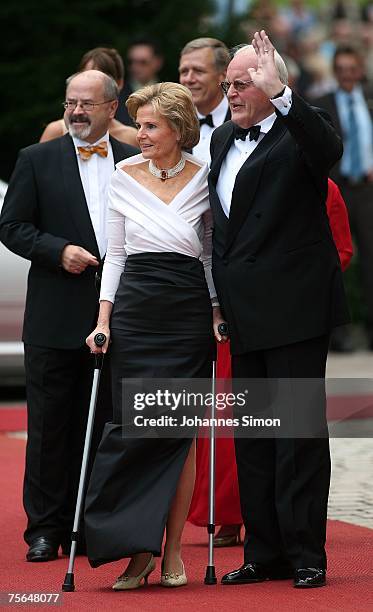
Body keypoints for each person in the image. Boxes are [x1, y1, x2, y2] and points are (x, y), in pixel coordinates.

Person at [209, 31, 349, 588]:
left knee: (298, 437)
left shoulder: (298, 135)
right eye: (229, 85)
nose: (233, 93)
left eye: (243, 84)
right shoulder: (220, 139)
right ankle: (263, 551)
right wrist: (216, 300)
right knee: (256, 437)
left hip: (294, 310)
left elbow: (328, 149)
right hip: (243, 313)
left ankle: (306, 553)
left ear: (271, 86)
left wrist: (286, 97)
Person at [84, 82, 225, 589]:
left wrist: (214, 310)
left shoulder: (206, 179)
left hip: (186, 314)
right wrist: (103, 320)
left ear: (178, 129)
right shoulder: (122, 176)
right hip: (137, 313)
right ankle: (135, 550)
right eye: (139, 124)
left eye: (149, 125)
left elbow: (209, 256)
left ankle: (170, 553)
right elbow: (115, 255)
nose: (139, 134)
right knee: (136, 429)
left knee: (180, 438)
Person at [0, 70, 138, 562]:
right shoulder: (36, 160)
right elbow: (12, 226)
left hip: (120, 317)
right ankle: (44, 528)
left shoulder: (135, 161)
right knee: (49, 428)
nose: (76, 112)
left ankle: (91, 524)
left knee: (104, 424)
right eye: (70, 103)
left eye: (86, 104)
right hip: (55, 315)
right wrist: (58, 251)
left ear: (112, 107)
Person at [178, 36, 242, 547]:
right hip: (182, 282)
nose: (189, 79)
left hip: (238, 280)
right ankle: (191, 507)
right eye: (182, 70)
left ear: (222, 75)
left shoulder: (246, 125)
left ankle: (239, 507)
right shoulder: (168, 130)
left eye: (197, 71)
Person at [315, 45, 373, 351]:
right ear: (335, 72)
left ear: (360, 70)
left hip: (366, 190)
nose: (348, 75)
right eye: (342, 69)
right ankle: (337, 335)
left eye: (353, 69)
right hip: (334, 190)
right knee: (333, 260)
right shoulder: (322, 103)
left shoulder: (369, 100)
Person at [40, 47, 138, 147]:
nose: (91, 82)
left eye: (102, 77)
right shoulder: (57, 131)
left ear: (119, 83)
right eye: (87, 75)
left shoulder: (130, 137)